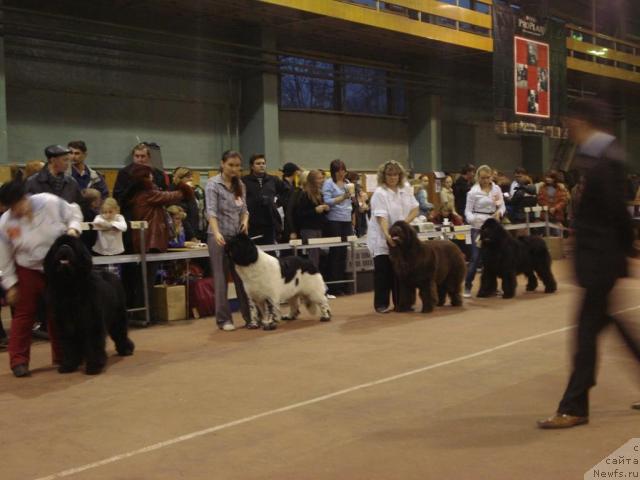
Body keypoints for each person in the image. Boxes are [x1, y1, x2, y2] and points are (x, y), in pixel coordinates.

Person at [537, 99, 639, 429]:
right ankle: (575, 403)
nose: (569, 130)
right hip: (601, 260)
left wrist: (620, 253)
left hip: (601, 261)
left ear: (582, 122)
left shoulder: (604, 160)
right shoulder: (599, 157)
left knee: (585, 336)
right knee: (608, 327)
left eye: (570, 123)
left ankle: (574, 406)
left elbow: (615, 215)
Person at [0, 180, 83, 377]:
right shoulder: (5, 223)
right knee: (23, 314)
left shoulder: (49, 202)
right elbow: (4, 257)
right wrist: (11, 285)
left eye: (16, 204)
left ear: (24, 198)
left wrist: (73, 229)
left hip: (56, 267)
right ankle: (18, 361)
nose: (15, 210)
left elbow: (74, 212)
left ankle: (63, 355)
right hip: (27, 269)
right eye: (10, 207)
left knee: (59, 312)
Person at [119, 164, 194, 326]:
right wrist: (184, 188)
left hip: (143, 242)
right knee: (146, 281)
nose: (152, 177)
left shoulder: (137, 195)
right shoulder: (147, 194)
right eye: (149, 175)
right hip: (150, 242)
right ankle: (144, 316)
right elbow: (171, 196)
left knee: (142, 280)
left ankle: (141, 314)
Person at [206, 150, 251, 332]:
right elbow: (211, 211)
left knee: (243, 277)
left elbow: (245, 210)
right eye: (231, 165)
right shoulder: (212, 184)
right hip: (218, 238)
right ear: (222, 164)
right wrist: (216, 233)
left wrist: (245, 222)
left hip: (237, 238)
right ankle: (224, 320)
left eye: (237, 166)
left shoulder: (240, 184)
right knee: (221, 278)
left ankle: (250, 317)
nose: (234, 169)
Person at [367, 160, 419, 313]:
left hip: (401, 237)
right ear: (384, 176)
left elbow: (415, 209)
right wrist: (387, 235)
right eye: (389, 174)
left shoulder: (406, 189)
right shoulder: (379, 193)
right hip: (382, 237)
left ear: (400, 175)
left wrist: (403, 225)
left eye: (395, 174)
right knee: (383, 271)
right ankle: (381, 304)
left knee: (402, 271)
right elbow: (381, 217)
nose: (392, 177)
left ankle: (401, 302)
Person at [464, 164, 505, 298]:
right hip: (478, 228)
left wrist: (499, 213)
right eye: (483, 178)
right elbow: (467, 211)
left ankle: (491, 287)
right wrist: (473, 220)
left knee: (493, 258)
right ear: (478, 178)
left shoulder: (496, 189)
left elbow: (502, 206)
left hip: (493, 228)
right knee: (475, 258)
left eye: (488, 178)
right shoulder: (472, 192)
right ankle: (468, 285)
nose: (486, 180)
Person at [322, 159, 355, 296]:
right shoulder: (328, 184)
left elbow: (351, 200)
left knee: (343, 253)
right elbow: (327, 201)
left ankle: (342, 285)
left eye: (344, 170)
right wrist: (342, 197)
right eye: (339, 171)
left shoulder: (348, 183)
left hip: (346, 220)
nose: (342, 173)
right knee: (335, 253)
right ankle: (333, 286)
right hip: (334, 220)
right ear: (333, 172)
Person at [242, 154, 285, 247]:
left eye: (263, 163)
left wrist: (276, 202)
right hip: (252, 222)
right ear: (252, 166)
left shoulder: (273, 180)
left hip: (269, 221)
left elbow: (285, 193)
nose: (261, 165)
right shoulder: (244, 181)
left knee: (270, 251)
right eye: (258, 163)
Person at [292, 169, 329, 269]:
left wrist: (326, 209)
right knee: (313, 255)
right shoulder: (304, 195)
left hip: (318, 228)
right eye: (319, 178)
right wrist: (315, 210)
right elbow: (300, 214)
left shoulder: (320, 194)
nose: (322, 180)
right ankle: (313, 276)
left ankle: (315, 275)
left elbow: (322, 213)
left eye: (322, 178)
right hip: (308, 229)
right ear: (313, 180)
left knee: (318, 254)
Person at [170, 167, 200, 242]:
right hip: (183, 234)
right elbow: (181, 217)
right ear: (180, 178)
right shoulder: (177, 192)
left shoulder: (190, 191)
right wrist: (192, 236)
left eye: (191, 176)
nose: (191, 179)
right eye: (188, 177)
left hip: (193, 230)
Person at [279, 162, 301, 243]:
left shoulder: (291, 186)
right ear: (295, 172)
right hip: (287, 223)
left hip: (289, 221)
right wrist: (292, 230)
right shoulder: (286, 187)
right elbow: (287, 209)